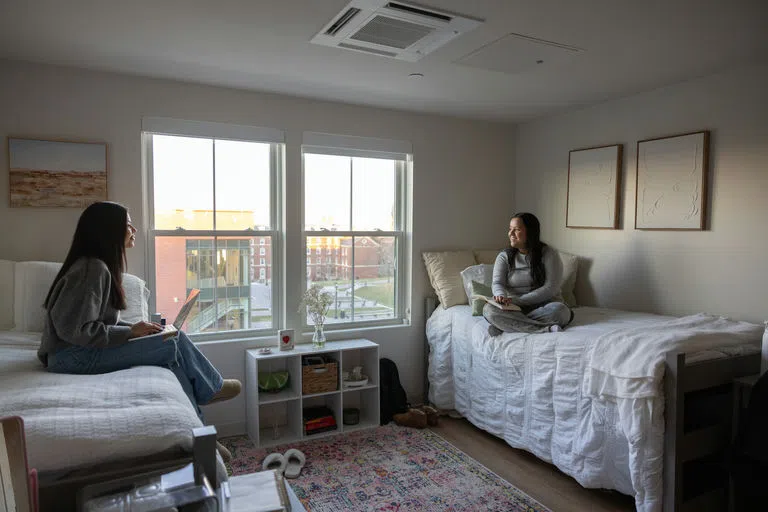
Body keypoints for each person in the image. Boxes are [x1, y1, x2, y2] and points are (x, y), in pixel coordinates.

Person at [38, 201, 241, 460]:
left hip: (76, 353)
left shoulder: (98, 267)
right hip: (70, 357)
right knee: (173, 342)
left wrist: (135, 330)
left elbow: (95, 324)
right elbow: (75, 331)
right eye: (127, 224)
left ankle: (205, 440)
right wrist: (129, 333)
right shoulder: (92, 269)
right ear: (108, 229)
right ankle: (211, 388)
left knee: (170, 355)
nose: (133, 229)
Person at [484, 212, 573, 335]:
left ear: (530, 232)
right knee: (489, 310)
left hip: (544, 305)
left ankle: (505, 326)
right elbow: (498, 283)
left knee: (561, 311)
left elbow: (550, 288)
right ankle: (544, 329)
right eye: (510, 229)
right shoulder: (504, 256)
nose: (511, 234)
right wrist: (500, 295)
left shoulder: (548, 254)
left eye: (517, 230)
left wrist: (517, 301)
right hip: (514, 308)